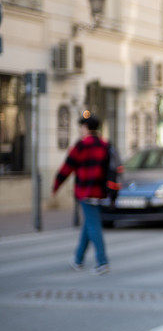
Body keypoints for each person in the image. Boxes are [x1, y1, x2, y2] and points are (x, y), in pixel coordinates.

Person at [52, 112, 112, 275]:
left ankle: (102, 262)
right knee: (89, 224)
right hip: (100, 191)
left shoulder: (81, 145)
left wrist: (56, 185)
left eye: (81, 127)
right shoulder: (104, 144)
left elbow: (67, 167)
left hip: (85, 190)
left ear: (85, 128)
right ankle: (78, 259)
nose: (80, 130)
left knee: (93, 226)